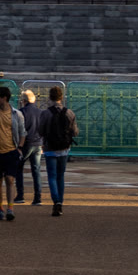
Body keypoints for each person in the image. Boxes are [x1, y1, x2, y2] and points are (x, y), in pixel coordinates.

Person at [0, 87, 26, 222]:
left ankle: (10, 208)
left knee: (10, 179)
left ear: (4, 98)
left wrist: (19, 148)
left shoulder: (17, 114)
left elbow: (23, 132)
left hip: (11, 151)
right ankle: (0, 208)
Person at [43, 84, 78, 214]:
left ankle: (56, 201)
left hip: (50, 147)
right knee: (60, 176)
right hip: (64, 148)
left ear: (50, 97)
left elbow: (40, 130)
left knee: (51, 176)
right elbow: (75, 132)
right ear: (61, 97)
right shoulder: (69, 113)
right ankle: (60, 202)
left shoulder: (46, 113)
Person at [20, 89, 48, 205]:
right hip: (38, 143)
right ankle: (37, 197)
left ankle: (20, 195)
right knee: (36, 171)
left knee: (18, 168)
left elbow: (20, 129)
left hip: (26, 143)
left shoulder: (21, 112)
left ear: (24, 101)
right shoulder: (40, 112)